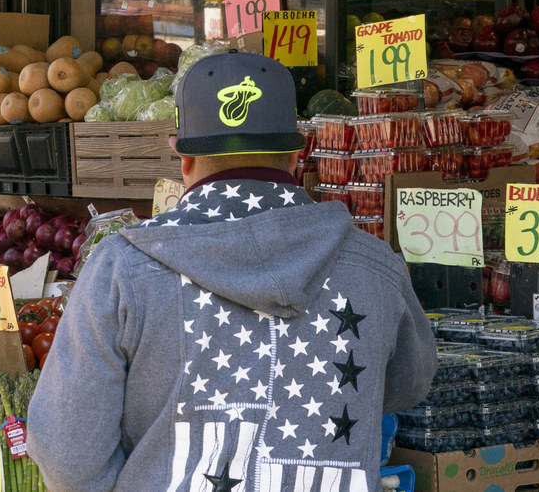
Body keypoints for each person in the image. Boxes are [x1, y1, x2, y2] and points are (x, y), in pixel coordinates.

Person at [27, 52, 435, 491]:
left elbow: (67, 456)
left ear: (182, 159)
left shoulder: (123, 269)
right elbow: (407, 386)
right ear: (298, 154)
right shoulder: (376, 268)